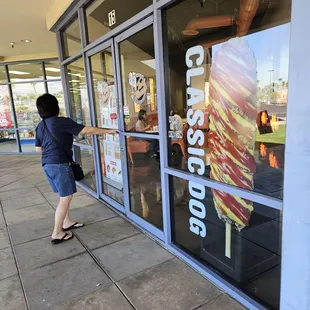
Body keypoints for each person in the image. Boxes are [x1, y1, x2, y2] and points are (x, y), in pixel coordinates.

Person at [35, 93, 116, 244]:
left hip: (47, 164)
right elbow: (87, 130)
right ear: (55, 107)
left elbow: (38, 149)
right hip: (59, 164)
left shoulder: (40, 126)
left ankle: (66, 223)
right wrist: (108, 131)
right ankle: (57, 232)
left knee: (62, 195)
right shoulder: (60, 122)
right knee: (66, 197)